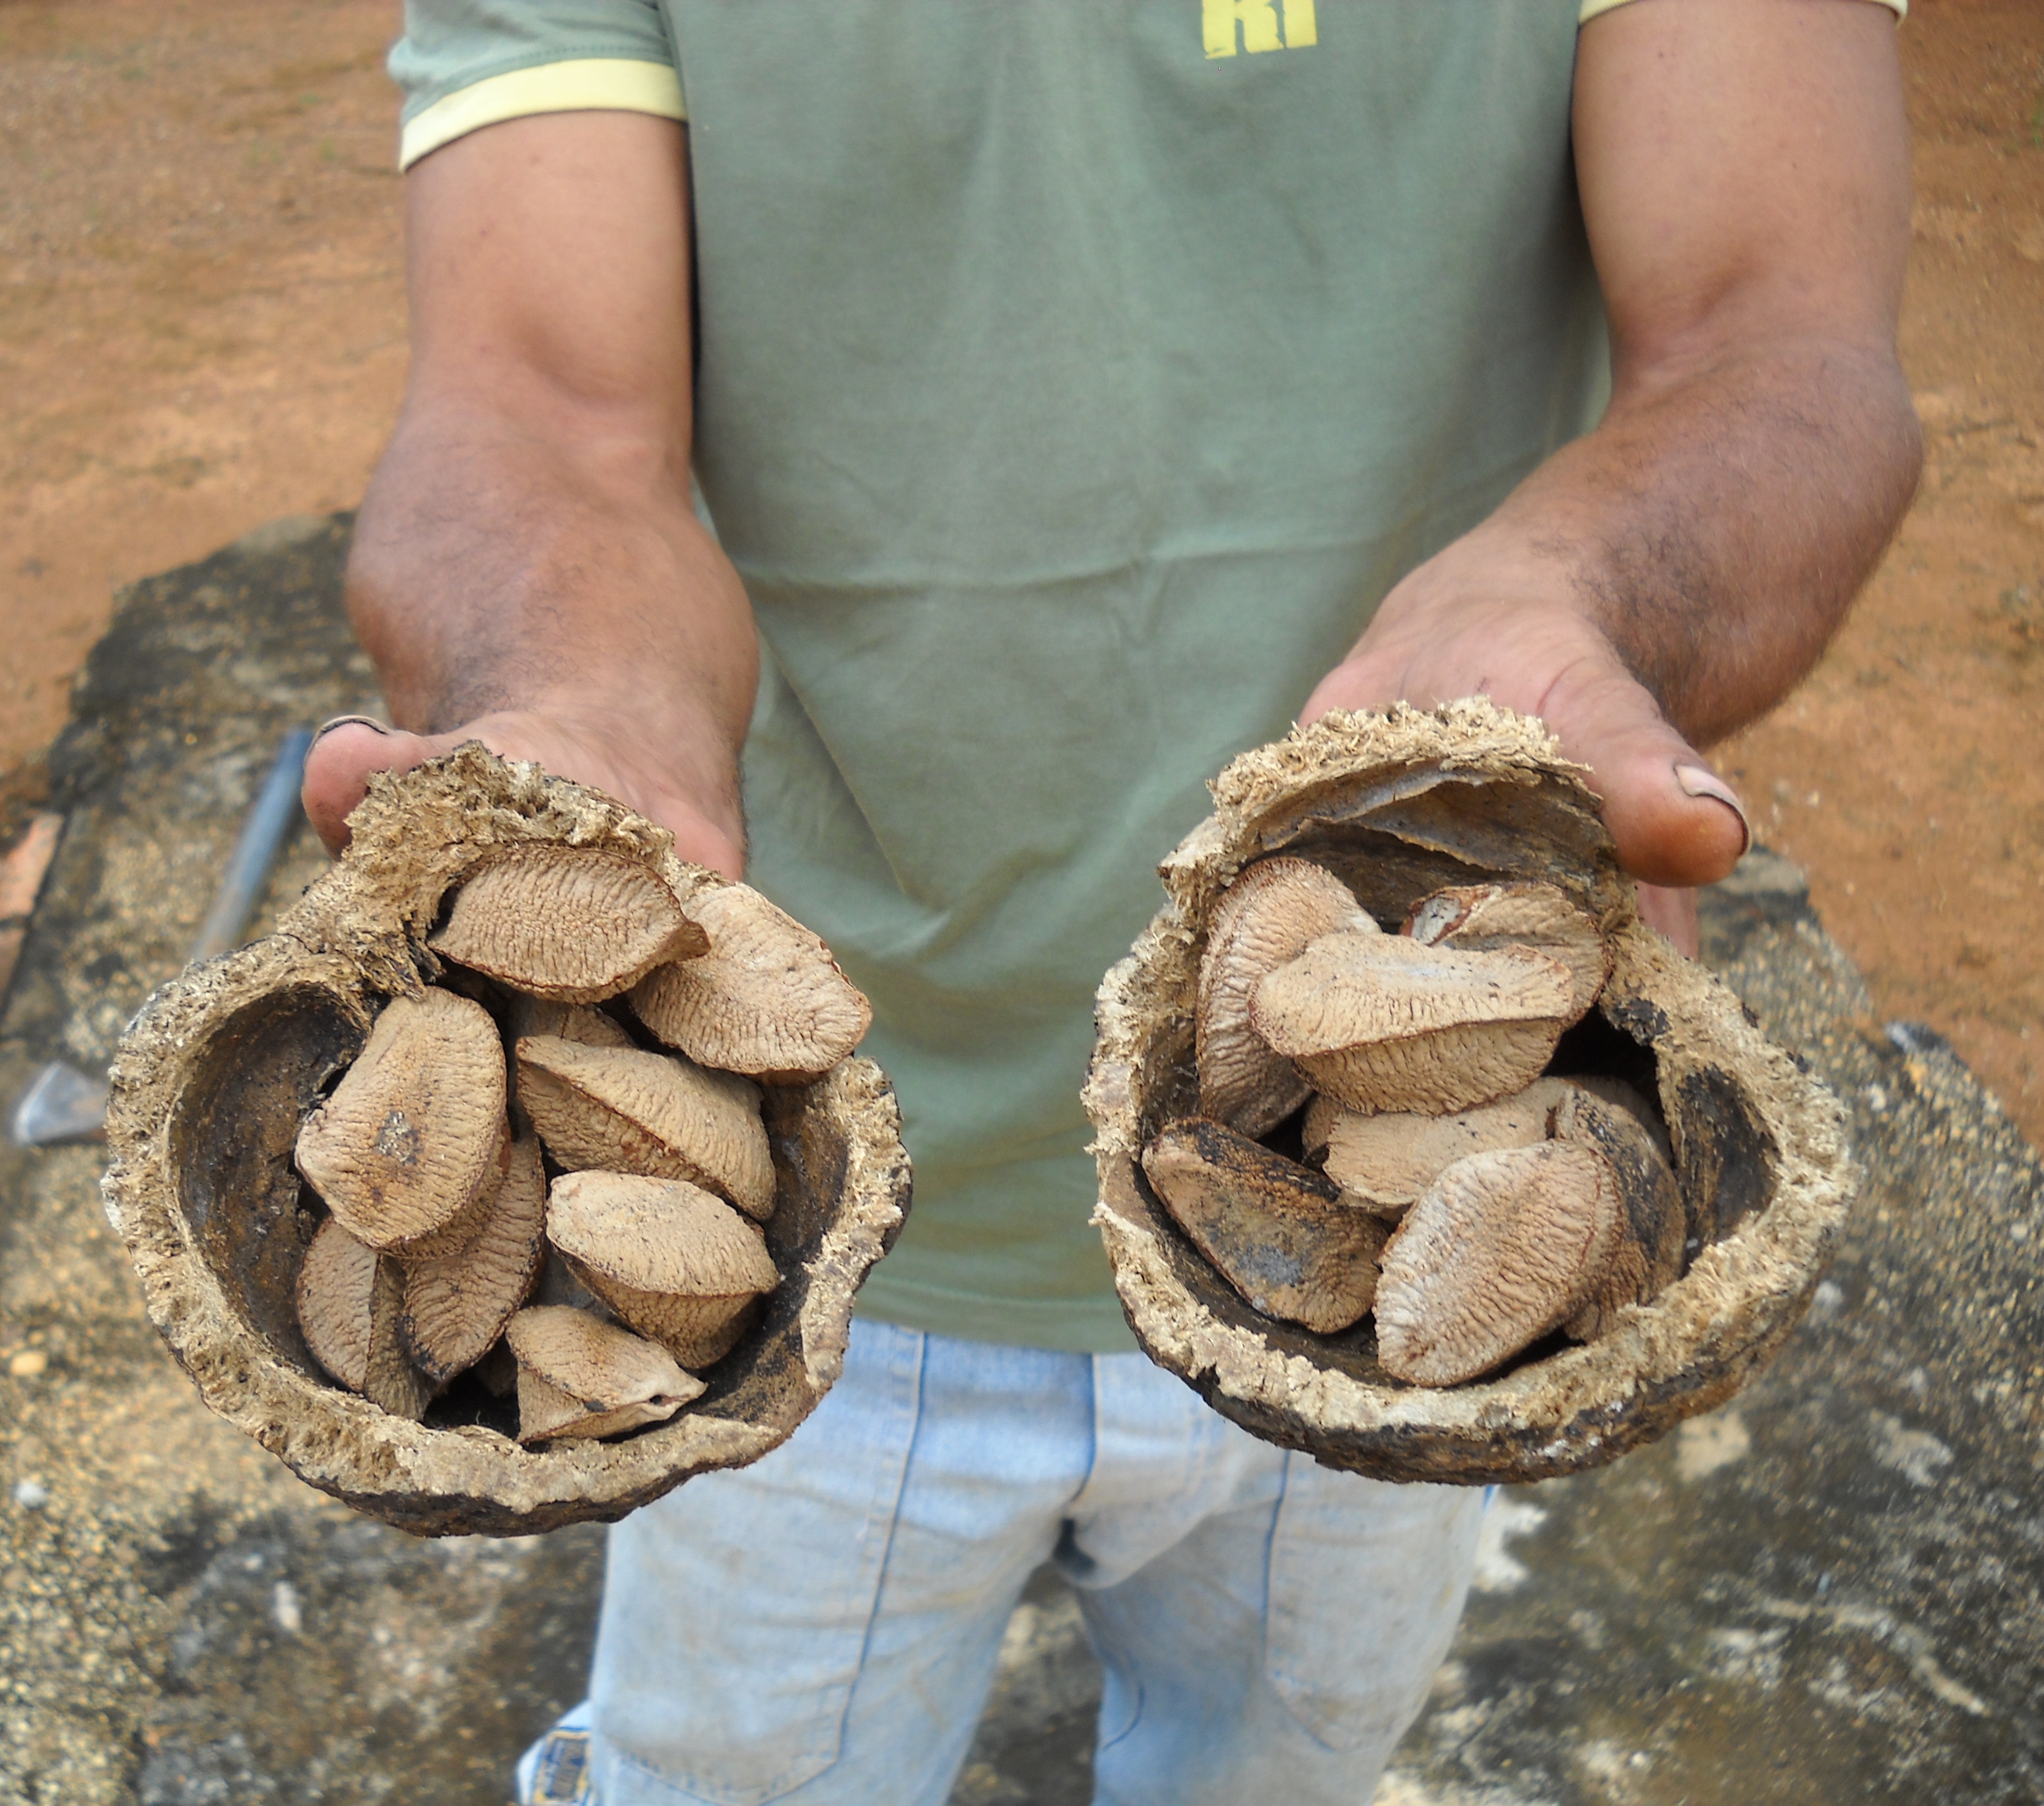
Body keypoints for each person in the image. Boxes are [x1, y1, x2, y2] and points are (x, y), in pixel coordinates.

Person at [303, 2, 1921, 1800]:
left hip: (1416, 1227)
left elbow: (1775, 338)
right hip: (788, 1207)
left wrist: (1580, 601)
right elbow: (537, 409)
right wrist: (571, 692)